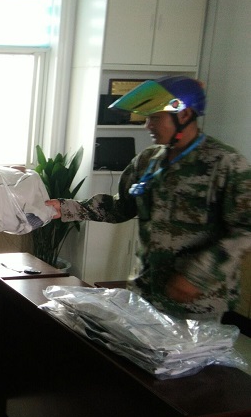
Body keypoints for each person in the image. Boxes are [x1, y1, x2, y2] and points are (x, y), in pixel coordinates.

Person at [46, 76, 251, 321]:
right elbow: (120, 207)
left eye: (155, 118)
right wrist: (64, 208)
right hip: (146, 292)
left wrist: (196, 276)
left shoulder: (226, 164)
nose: (147, 126)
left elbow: (245, 231)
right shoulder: (147, 161)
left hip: (198, 301)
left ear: (184, 114)